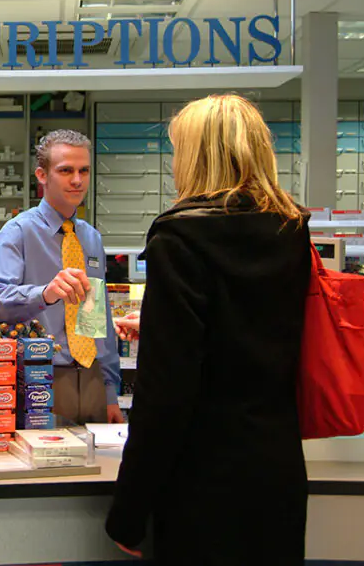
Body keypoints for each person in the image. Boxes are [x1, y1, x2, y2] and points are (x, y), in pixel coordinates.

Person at [106, 94, 310, 565]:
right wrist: (159, 324)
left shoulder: (180, 237)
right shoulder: (293, 230)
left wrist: (129, 511)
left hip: (205, 483)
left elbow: (167, 394)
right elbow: (255, 325)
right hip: (276, 468)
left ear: (196, 157)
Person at [0, 129, 123, 424]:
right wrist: (44, 293)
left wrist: (110, 391)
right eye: (66, 170)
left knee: (100, 469)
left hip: (92, 377)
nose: (77, 180)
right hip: (41, 379)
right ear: (42, 175)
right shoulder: (18, 232)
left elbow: (97, 317)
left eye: (84, 170)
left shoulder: (91, 238)